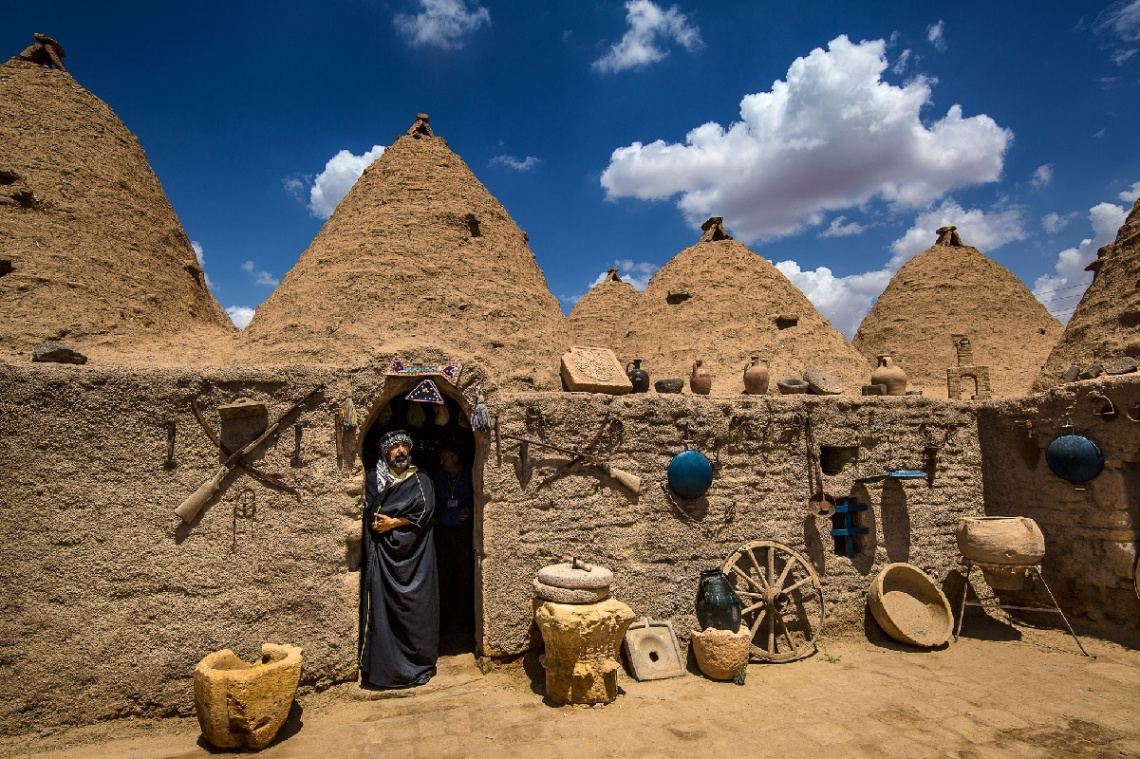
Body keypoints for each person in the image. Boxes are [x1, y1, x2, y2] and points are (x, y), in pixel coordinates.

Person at [358, 430, 439, 688]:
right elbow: (368, 509)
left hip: (416, 556)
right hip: (382, 555)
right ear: (386, 452)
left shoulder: (421, 479)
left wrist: (394, 522)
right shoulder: (373, 479)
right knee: (382, 609)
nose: (401, 451)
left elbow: (424, 512)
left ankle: (417, 664)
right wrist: (379, 524)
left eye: (405, 446)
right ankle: (385, 669)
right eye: (395, 447)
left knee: (416, 607)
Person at [432, 446, 475, 638]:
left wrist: (471, 510)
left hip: (464, 534)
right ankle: (445, 621)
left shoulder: (469, 475)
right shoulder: (438, 478)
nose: (441, 462)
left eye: (444, 457)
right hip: (442, 533)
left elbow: (479, 497)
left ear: (455, 457)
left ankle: (465, 620)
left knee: (465, 576)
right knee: (444, 576)